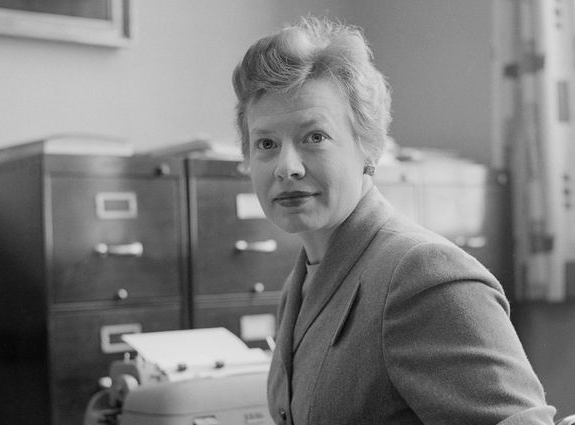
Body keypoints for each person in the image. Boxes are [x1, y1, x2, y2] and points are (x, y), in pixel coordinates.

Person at [231, 16, 556, 425]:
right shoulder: (303, 281)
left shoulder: (423, 276)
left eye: (314, 137)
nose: (287, 166)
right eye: (266, 144)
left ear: (368, 146)